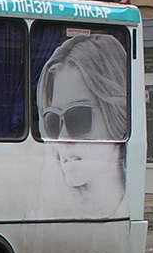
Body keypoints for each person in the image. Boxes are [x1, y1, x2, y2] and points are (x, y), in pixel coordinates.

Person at [37, 34, 128, 217]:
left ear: (116, 114)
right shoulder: (40, 218)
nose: (62, 138)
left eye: (78, 118)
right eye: (52, 122)